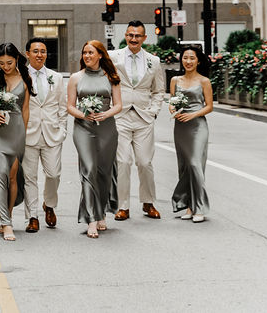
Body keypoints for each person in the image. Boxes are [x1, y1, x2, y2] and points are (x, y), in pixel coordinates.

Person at [109, 20, 166, 221]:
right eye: (130, 35)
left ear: (144, 38)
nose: (134, 39)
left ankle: (148, 202)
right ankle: (123, 206)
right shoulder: (113, 57)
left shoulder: (154, 61)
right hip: (120, 115)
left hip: (144, 117)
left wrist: (153, 111)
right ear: (125, 36)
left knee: (145, 162)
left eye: (137, 36)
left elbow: (159, 90)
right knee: (123, 162)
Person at [68, 40, 123, 238]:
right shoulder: (76, 77)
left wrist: (106, 114)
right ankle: (91, 218)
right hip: (83, 128)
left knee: (103, 172)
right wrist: (83, 115)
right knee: (88, 170)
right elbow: (70, 106)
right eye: (84, 53)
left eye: (91, 53)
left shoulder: (111, 77)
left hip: (107, 128)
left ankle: (101, 213)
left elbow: (118, 105)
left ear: (100, 55)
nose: (87, 56)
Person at [0, 43, 31, 241]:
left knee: (12, 177)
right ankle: (6, 224)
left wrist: (23, 134)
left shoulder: (25, 78)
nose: (5, 67)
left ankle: (6, 215)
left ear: (16, 59)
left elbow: (25, 109)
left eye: (9, 62)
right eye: (2, 63)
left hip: (16, 131)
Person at [21, 39, 67, 233]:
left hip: (52, 133)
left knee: (53, 174)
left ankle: (49, 204)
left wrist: (62, 128)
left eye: (43, 51)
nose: (40, 55)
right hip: (28, 134)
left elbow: (62, 106)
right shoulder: (20, 76)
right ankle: (32, 216)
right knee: (29, 177)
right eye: (36, 51)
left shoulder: (56, 77)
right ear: (27, 54)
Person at [170, 44, 213, 223]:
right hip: (181, 127)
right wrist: (173, 109)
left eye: (192, 58)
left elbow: (209, 107)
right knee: (185, 166)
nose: (188, 61)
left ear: (198, 61)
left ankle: (200, 207)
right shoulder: (175, 80)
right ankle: (188, 206)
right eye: (185, 58)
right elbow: (172, 101)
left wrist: (193, 114)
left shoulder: (204, 81)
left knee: (195, 165)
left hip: (197, 126)